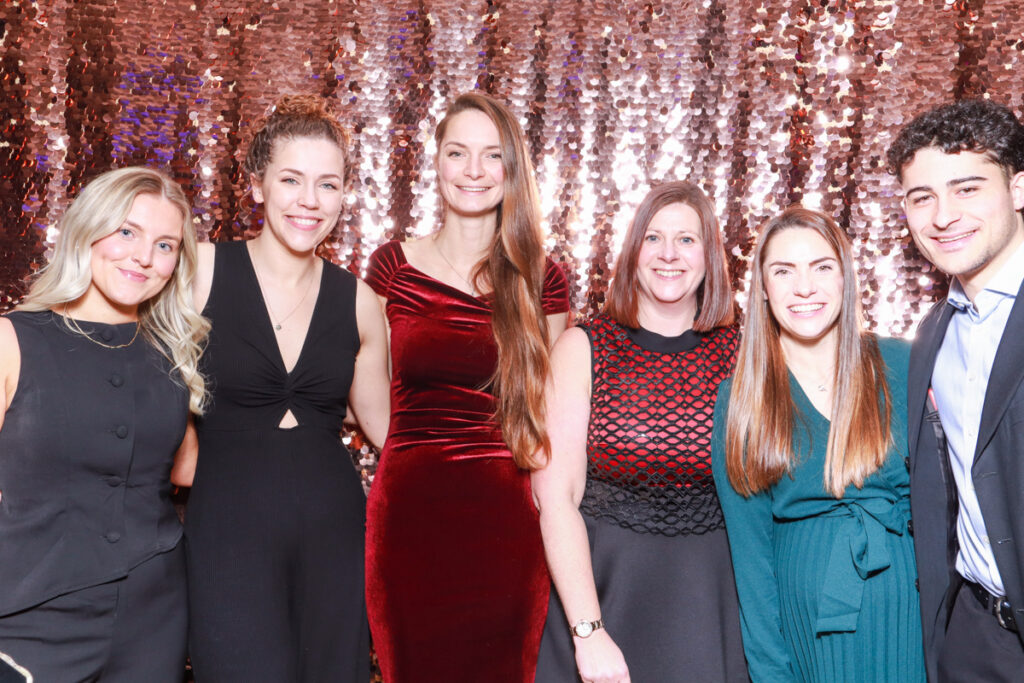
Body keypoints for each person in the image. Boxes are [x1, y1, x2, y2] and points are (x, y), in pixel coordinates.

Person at [181, 95, 390, 682]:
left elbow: (387, 431)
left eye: (327, 184)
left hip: (334, 532)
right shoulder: (197, 272)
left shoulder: (360, 301)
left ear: (344, 195)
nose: (309, 201)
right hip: (228, 531)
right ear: (256, 186)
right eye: (291, 179)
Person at [364, 91, 569, 682]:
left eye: (491, 155)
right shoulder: (392, 267)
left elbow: (554, 408)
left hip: (506, 522)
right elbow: (368, 393)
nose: (474, 171)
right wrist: (419, 457)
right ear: (437, 162)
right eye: (458, 153)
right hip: (411, 517)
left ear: (513, 169)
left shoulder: (540, 277)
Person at [532, 181, 748, 683]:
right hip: (602, 594)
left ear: (710, 255)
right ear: (633, 252)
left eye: (687, 240)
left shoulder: (746, 354)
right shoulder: (583, 348)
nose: (669, 254)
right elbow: (556, 498)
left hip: (710, 605)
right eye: (653, 238)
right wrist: (588, 632)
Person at [0, 166, 208, 682]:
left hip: (153, 616)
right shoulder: (13, 339)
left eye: (165, 245)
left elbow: (186, 471)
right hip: (30, 613)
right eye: (127, 232)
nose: (143, 256)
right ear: (87, 231)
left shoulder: (169, 356)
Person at [711, 207, 925, 682]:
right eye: (783, 271)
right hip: (806, 632)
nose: (804, 288)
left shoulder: (900, 363)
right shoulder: (742, 397)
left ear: (846, 278)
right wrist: (772, 674)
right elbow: (751, 560)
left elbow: (936, 513)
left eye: (822, 267)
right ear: (763, 289)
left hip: (909, 620)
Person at [887, 99, 1024, 681]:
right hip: (978, 636)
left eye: (967, 188)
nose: (943, 216)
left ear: (1017, 188)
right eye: (923, 197)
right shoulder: (934, 335)